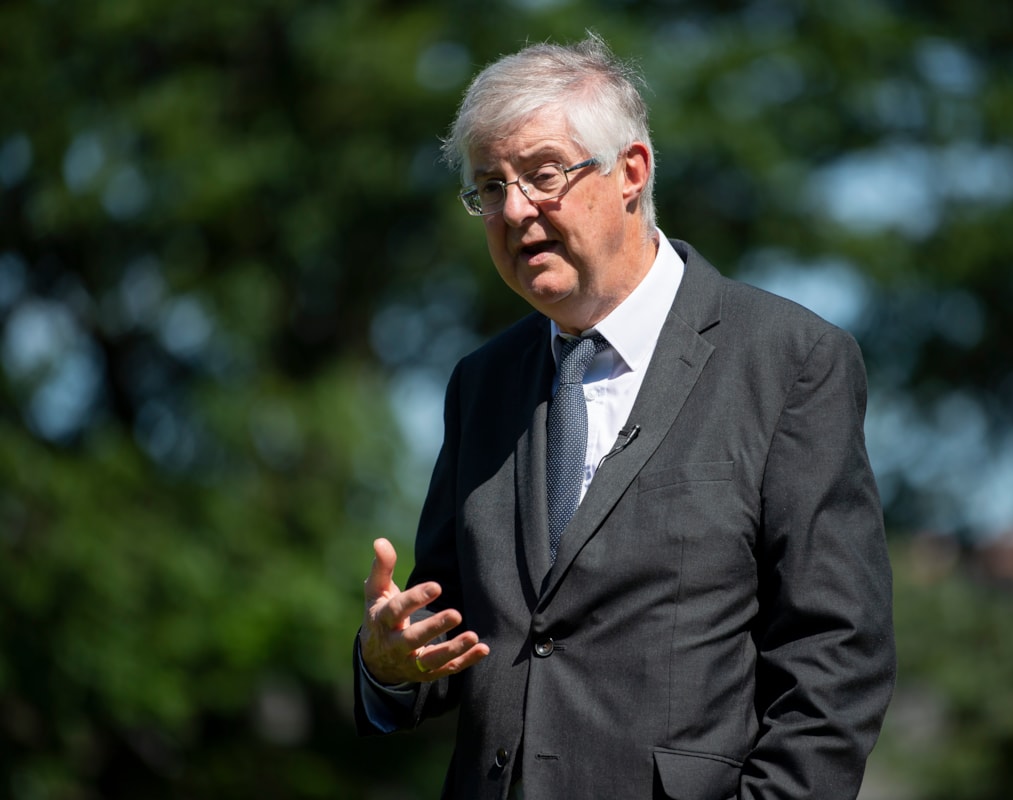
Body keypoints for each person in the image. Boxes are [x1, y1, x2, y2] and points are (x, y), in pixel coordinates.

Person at [353, 33, 895, 800]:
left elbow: (835, 657)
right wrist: (388, 663)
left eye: (543, 175)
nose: (514, 210)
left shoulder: (790, 360)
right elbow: (451, 631)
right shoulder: (482, 384)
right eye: (489, 188)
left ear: (631, 172)